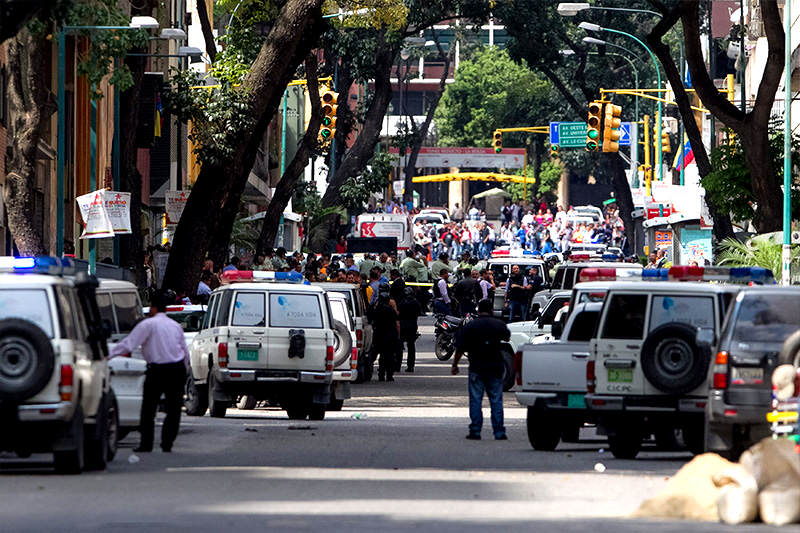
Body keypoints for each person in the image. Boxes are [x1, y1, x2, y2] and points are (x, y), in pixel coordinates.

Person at [109, 291, 189, 453]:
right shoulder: (175, 326)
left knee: (148, 409)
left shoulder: (148, 325)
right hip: (176, 369)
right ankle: (167, 443)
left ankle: (146, 444)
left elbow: (129, 344)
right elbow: (184, 351)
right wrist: (186, 370)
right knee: (174, 410)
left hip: (157, 370)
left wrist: (107, 355)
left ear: (152, 308)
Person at [451, 299, 510, 440]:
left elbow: (460, 347)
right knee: (496, 399)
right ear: (491, 310)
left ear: (478, 310)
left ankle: (475, 430)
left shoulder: (471, 326)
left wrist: (455, 364)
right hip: (495, 365)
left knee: (476, 399)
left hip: (477, 366)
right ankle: (499, 432)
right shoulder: (499, 324)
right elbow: (507, 337)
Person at [371, 285, 400, 382]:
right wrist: (398, 335)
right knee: (390, 356)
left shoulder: (376, 308)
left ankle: (381, 374)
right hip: (390, 334)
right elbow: (397, 322)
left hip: (379, 334)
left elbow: (372, 320)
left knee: (382, 356)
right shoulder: (391, 309)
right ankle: (389, 375)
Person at [398, 288, 421, 372]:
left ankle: (398, 365)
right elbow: (419, 312)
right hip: (412, 326)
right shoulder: (416, 303)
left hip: (403, 326)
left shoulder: (402, 303)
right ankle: (410, 365)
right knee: (411, 346)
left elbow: (398, 313)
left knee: (399, 345)